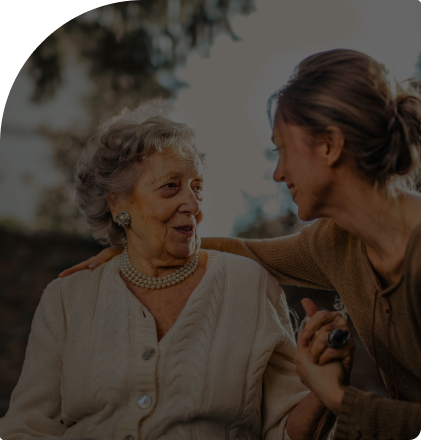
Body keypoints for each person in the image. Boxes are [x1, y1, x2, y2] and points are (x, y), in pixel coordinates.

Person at [64, 49, 421, 440]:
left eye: (283, 149)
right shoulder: (335, 243)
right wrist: (139, 246)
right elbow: (249, 252)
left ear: (330, 145)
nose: (278, 172)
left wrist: (336, 396)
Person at [0, 100, 348, 440]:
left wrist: (323, 392)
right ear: (118, 203)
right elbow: (27, 426)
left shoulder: (251, 285)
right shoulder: (66, 298)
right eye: (171, 187)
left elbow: (285, 429)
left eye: (197, 187)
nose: (194, 205)